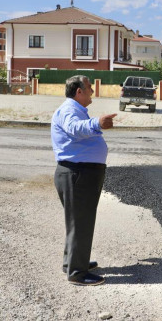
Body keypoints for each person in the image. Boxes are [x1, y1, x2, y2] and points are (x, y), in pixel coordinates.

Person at [51, 75, 117, 286]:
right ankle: (77, 273)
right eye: (89, 88)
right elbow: (75, 128)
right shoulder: (69, 110)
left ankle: (72, 262)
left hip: (80, 173)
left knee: (78, 222)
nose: (92, 92)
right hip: (78, 174)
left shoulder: (75, 110)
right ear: (78, 91)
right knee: (81, 223)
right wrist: (97, 122)